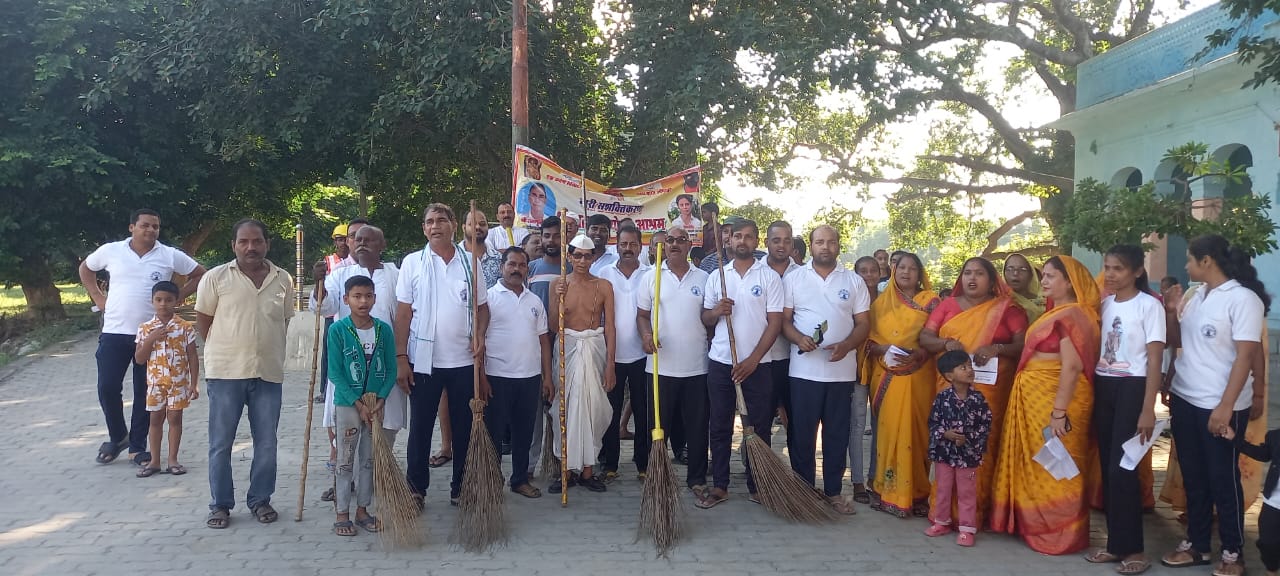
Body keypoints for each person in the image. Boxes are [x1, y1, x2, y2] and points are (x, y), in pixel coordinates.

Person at [1159, 235, 1268, 576]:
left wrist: (1226, 406)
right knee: (1194, 476)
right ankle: (1198, 544)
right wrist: (1171, 311)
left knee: (1222, 477)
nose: (1186, 266)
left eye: (1190, 259)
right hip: (1185, 397)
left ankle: (1233, 552)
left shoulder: (1243, 299)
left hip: (1219, 403)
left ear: (1206, 261)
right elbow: (1177, 341)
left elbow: (1246, 356)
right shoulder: (1195, 295)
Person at [990, 255, 1100, 555]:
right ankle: (1034, 523)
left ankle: (1060, 533)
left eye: (1051, 276)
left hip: (1058, 400)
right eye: (1045, 276)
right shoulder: (1056, 313)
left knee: (1059, 464)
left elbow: (1072, 367)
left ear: (1070, 282)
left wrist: (1059, 412)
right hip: (1035, 398)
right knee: (1039, 462)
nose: (1045, 281)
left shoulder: (1073, 315)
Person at [80, 209, 205, 467]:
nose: (150, 230)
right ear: (132, 227)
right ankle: (118, 436)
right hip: (115, 331)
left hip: (154, 335)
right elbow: (86, 268)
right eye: (145, 225)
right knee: (107, 387)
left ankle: (137, 448)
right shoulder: (111, 250)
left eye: (155, 227)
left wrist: (176, 297)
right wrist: (98, 297)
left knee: (145, 393)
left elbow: (200, 273)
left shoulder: (169, 255)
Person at [196, 218, 296, 529]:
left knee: (266, 442)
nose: (250, 247)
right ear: (234, 245)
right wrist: (226, 347)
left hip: (268, 373)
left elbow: (285, 320)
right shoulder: (215, 278)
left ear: (267, 244)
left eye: (257, 241)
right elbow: (203, 322)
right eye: (244, 241)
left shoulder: (283, 279)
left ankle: (260, 500)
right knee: (221, 443)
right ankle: (220, 505)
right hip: (226, 372)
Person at [918, 257, 1027, 526]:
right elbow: (925, 337)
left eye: (979, 273)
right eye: (967, 273)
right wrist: (945, 343)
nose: (972, 278)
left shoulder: (1007, 309)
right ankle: (943, 514)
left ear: (991, 280)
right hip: (950, 393)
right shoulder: (947, 306)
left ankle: (978, 513)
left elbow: (1023, 345)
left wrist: (997, 348)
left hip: (989, 394)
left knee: (982, 446)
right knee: (948, 446)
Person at [394, 203, 490, 509]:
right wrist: (401, 358)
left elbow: (483, 309)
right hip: (424, 361)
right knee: (421, 428)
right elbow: (403, 314)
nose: (435, 226)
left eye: (441, 220)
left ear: (453, 225)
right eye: (429, 222)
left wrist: (480, 334)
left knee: (464, 429)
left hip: (463, 361)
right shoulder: (413, 263)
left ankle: (461, 488)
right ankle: (416, 489)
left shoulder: (471, 262)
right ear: (424, 229)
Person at [1080, 245, 1164, 573]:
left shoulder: (1149, 306)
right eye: (1108, 267)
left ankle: (1135, 550)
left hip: (1134, 387)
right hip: (1105, 385)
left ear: (1137, 272)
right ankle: (1115, 545)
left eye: (1119, 268)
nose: (1111, 274)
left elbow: (1155, 359)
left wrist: (1148, 408)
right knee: (1107, 467)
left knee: (1123, 468)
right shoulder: (1105, 304)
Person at [311, 225, 405, 502]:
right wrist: (318, 284)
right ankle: (345, 481)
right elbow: (324, 308)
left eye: (368, 240)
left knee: (386, 421)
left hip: (383, 363)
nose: (361, 244)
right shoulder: (340, 275)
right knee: (346, 426)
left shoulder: (396, 275)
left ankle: (378, 474)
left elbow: (405, 316)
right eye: (357, 239)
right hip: (349, 365)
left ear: (382, 245)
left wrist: (402, 359)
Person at [781, 225, 869, 515]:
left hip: (840, 374)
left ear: (838, 246)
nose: (825, 247)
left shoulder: (854, 281)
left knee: (836, 435)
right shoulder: (794, 278)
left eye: (831, 242)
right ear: (811, 245)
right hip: (803, 373)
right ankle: (803, 491)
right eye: (820, 242)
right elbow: (784, 321)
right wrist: (798, 338)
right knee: (802, 435)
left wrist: (848, 344)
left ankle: (833, 492)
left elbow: (864, 324)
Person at [696, 218, 783, 509]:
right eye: (737, 236)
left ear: (756, 242)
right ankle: (720, 485)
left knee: (759, 427)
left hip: (759, 364)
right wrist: (716, 311)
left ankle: (758, 484)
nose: (742, 241)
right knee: (720, 425)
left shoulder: (769, 277)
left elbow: (775, 323)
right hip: (722, 361)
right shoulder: (718, 276)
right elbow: (705, 319)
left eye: (748, 236)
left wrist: (753, 360)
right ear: (729, 240)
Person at [638, 225, 711, 497]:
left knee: (697, 427)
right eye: (670, 240)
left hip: (697, 366)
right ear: (663, 245)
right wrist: (646, 335)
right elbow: (642, 315)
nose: (675, 244)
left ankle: (697, 478)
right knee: (658, 427)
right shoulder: (651, 276)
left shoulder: (704, 278)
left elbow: (709, 319)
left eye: (682, 240)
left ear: (689, 246)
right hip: (660, 366)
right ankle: (657, 475)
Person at [865, 252, 939, 518]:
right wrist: (884, 348)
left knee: (918, 432)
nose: (906, 272)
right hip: (887, 375)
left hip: (920, 376)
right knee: (888, 433)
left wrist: (920, 354)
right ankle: (887, 491)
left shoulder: (931, 302)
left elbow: (939, 336)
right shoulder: (880, 304)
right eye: (901, 267)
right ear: (894, 271)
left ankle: (918, 493)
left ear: (920, 274)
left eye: (912, 268)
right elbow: (868, 341)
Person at [326, 275, 396, 537]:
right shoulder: (338, 330)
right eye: (357, 296)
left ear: (375, 298)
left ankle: (363, 510)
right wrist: (357, 402)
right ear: (346, 299)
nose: (363, 301)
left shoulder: (383, 330)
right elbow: (334, 372)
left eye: (368, 296)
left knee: (368, 459)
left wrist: (380, 399)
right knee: (345, 460)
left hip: (375, 406)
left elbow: (391, 369)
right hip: (348, 405)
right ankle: (342, 513)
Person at [548, 233, 616, 493]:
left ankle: (588, 470)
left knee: (593, 408)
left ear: (594, 258)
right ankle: (565, 470)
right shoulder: (558, 284)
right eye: (577, 255)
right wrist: (558, 298)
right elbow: (553, 326)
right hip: (566, 348)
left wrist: (611, 365)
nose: (582, 261)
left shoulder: (604, 286)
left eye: (587, 256)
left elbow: (610, 328)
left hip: (593, 347)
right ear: (569, 256)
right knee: (564, 407)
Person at [484, 247, 552, 498]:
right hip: (497, 376)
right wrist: (481, 377)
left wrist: (547, 377)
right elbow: (477, 340)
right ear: (502, 266)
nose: (516, 269)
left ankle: (520, 479)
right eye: (511, 264)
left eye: (522, 265)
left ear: (527, 269)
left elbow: (543, 341)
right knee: (494, 432)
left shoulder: (534, 301)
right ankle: (492, 479)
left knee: (524, 431)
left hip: (530, 377)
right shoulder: (488, 299)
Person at [595, 226, 650, 482]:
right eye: (624, 244)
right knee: (611, 411)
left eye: (633, 244)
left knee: (643, 411)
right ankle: (609, 464)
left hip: (643, 356)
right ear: (616, 246)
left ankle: (643, 464)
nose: (628, 248)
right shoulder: (604, 274)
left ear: (640, 246)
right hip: (612, 354)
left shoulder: (650, 274)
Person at [924, 350, 992, 547]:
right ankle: (941, 522)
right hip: (944, 454)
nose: (969, 370)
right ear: (949, 376)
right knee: (943, 489)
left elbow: (985, 425)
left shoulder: (978, 399)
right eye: (963, 367)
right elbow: (933, 423)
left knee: (967, 492)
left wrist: (967, 439)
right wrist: (945, 434)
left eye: (970, 366)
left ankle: (967, 529)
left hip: (968, 456)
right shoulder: (942, 398)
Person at [133, 281, 199, 478]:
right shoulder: (145, 328)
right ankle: (154, 461)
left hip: (178, 383)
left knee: (175, 419)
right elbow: (139, 359)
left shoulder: (185, 327)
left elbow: (192, 356)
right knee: (155, 420)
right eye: (159, 300)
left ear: (177, 301)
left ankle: (173, 460)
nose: (163, 304)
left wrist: (194, 384)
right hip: (155, 384)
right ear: (152, 301)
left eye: (169, 300)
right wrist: (151, 339)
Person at [526, 215, 570, 475]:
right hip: (533, 345)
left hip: (564, 346)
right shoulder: (531, 269)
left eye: (557, 235)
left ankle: (562, 462)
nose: (551, 240)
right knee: (533, 412)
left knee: (560, 407)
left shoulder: (572, 269)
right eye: (547, 236)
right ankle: (529, 466)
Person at [764, 220, 801, 449]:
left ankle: (799, 468)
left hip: (794, 358)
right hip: (762, 358)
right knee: (760, 419)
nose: (781, 245)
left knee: (795, 418)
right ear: (766, 242)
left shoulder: (803, 274)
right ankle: (756, 465)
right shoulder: (755, 271)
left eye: (787, 241)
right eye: (776, 240)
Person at [850, 255, 881, 500]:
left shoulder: (889, 302)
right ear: (856, 274)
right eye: (863, 271)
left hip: (884, 370)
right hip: (856, 369)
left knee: (881, 425)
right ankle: (858, 481)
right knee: (857, 425)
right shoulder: (850, 299)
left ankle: (876, 478)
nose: (869, 275)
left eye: (873, 270)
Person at [1235, 426, 1280, 576]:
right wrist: (1235, 440)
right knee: (1267, 541)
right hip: (1274, 501)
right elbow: (1263, 454)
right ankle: (1272, 570)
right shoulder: (1275, 436)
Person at [461, 207, 502, 288]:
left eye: (482, 224)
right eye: (472, 224)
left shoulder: (498, 259)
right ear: (464, 228)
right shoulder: (454, 257)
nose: (477, 227)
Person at [1003, 253, 1045, 323]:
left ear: (1031, 274)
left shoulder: (1045, 299)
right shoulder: (999, 302)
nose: (1015, 273)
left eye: (1022, 269)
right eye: (1010, 269)